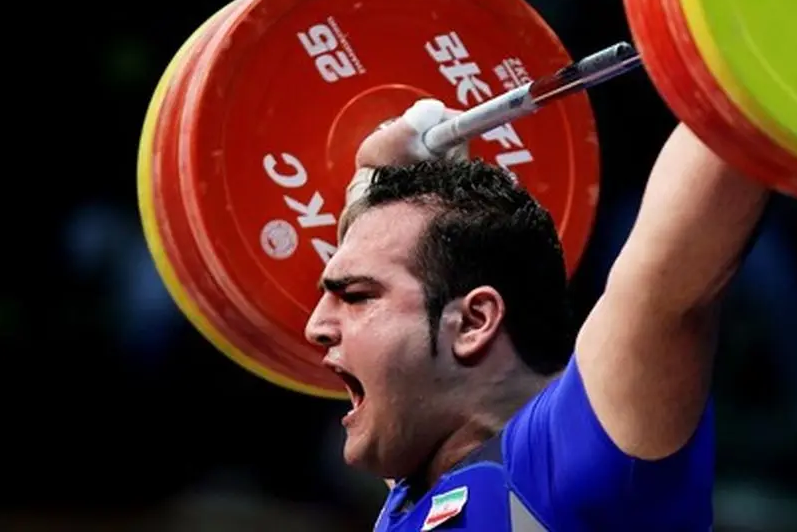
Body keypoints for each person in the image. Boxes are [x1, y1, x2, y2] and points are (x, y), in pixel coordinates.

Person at [305, 99, 769, 531]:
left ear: (473, 322)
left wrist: (740, 69)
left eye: (357, 297)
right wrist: (371, 187)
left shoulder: (568, 459)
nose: (314, 327)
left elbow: (670, 273)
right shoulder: (416, 486)